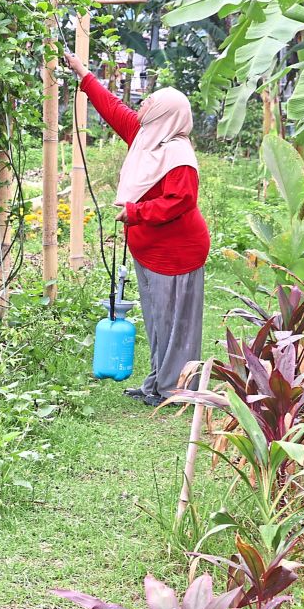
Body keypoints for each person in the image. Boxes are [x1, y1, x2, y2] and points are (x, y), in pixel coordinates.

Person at [63, 53, 210, 406]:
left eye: (151, 101)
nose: (144, 103)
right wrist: (83, 73)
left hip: (178, 252)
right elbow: (112, 108)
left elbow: (180, 202)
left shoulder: (179, 157)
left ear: (165, 114)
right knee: (159, 321)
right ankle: (158, 383)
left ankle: (176, 390)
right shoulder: (146, 136)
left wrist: (136, 212)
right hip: (148, 249)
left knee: (177, 327)